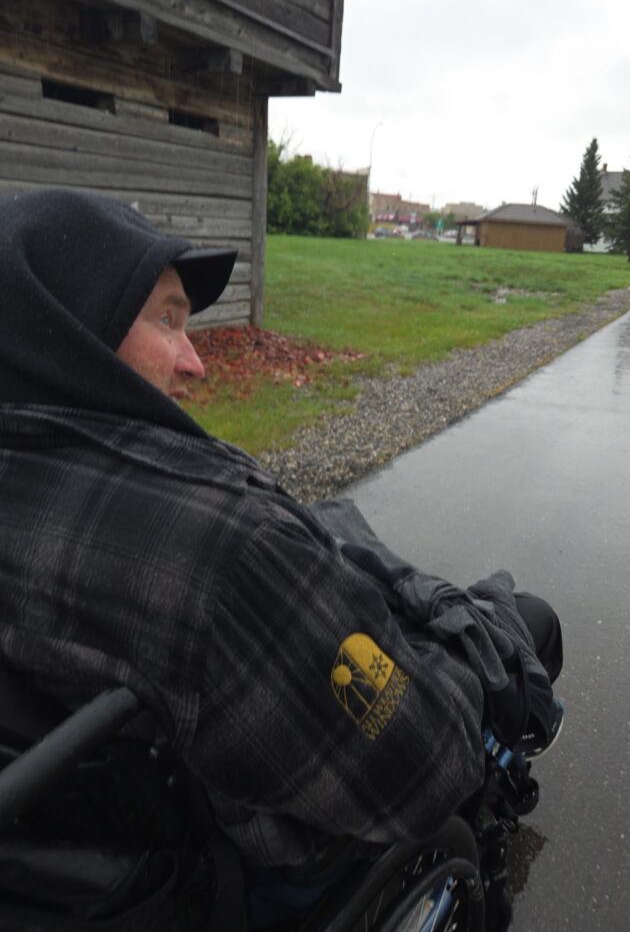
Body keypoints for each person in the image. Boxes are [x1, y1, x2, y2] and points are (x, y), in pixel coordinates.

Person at [0, 189, 562, 919]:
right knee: (528, 621)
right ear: (71, 336)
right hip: (270, 872)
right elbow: (426, 765)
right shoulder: (224, 556)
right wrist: (462, 642)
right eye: (167, 319)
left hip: (73, 856)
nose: (196, 363)